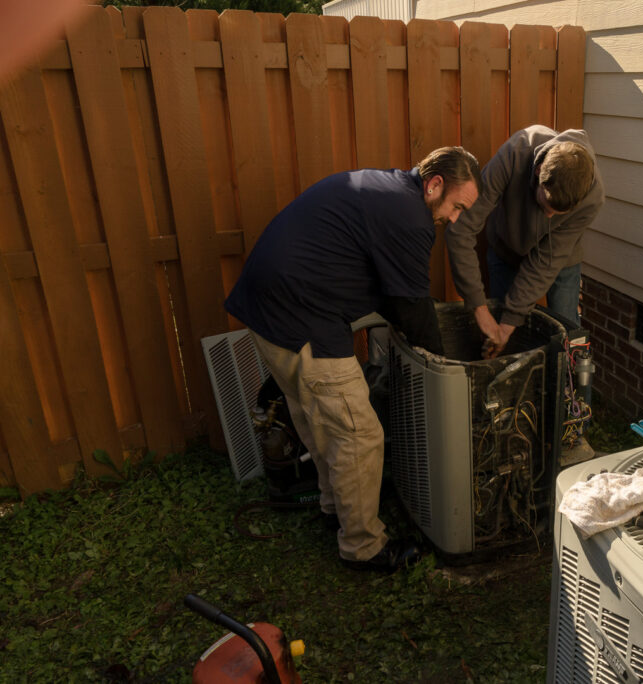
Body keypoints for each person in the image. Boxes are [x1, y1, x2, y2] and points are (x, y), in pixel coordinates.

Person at [225, 147, 481, 572]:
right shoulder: (411, 217)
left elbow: (389, 289)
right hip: (301, 316)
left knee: (318, 418)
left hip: (267, 310)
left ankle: (335, 509)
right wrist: (446, 366)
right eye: (457, 207)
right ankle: (363, 547)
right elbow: (412, 307)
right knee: (359, 434)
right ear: (435, 185)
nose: (454, 219)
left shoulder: (389, 190)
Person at [445, 125, 604, 359]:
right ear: (539, 171)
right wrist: (480, 309)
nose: (549, 217)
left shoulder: (593, 197)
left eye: (558, 214)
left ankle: (574, 382)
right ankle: (507, 379)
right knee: (499, 334)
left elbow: (544, 263)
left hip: (560, 260)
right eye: (545, 206)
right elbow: (461, 228)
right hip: (506, 245)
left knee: (569, 331)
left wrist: (512, 320)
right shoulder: (516, 152)